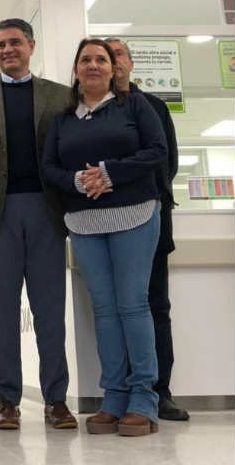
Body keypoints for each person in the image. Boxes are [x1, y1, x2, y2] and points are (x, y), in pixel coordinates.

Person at [42, 38, 167, 436]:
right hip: (84, 221)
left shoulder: (135, 106)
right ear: (76, 70)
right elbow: (49, 168)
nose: (93, 65)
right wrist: (78, 181)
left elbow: (157, 151)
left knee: (133, 305)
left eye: (101, 59)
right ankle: (113, 398)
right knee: (105, 310)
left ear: (114, 69)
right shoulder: (62, 119)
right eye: (86, 59)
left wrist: (110, 173)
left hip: (135, 214)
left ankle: (144, 399)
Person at [0, 18, 76, 431]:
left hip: (47, 213)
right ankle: (6, 400)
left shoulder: (61, 96)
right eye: (0, 45)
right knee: (2, 313)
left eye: (14, 43)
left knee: (50, 311)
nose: (7, 50)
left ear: (31, 46)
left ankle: (56, 400)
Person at [104, 38, 187, 421]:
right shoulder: (90, 112)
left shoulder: (153, 107)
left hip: (151, 219)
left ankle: (159, 391)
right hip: (104, 221)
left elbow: (167, 162)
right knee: (114, 308)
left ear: (130, 63)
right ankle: (121, 392)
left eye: (118, 53)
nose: (112, 60)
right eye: (105, 55)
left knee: (155, 306)